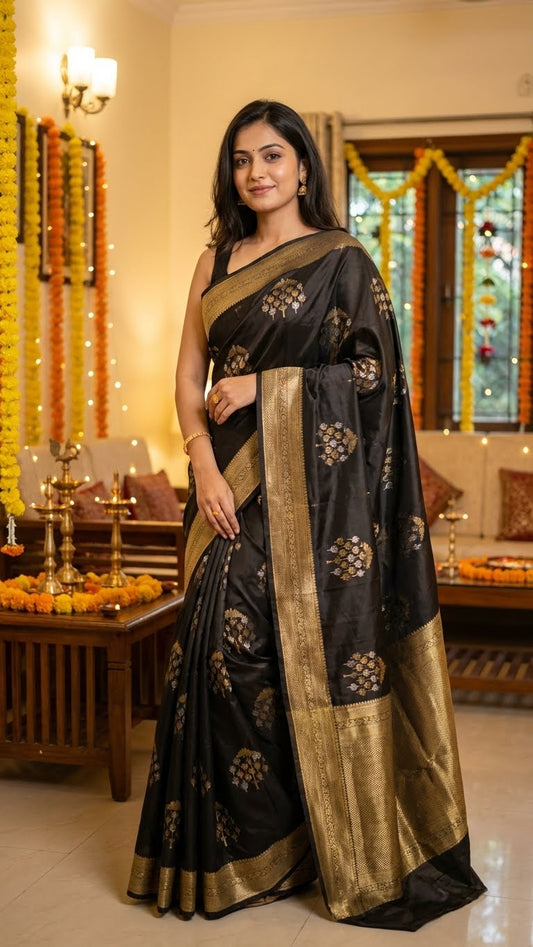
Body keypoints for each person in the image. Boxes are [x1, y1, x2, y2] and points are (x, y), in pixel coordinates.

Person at [127, 99, 485, 929]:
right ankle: (234, 849)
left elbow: (374, 381)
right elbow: (187, 377)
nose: (257, 172)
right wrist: (202, 463)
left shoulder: (342, 260)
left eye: (272, 156)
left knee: (272, 652)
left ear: (301, 166)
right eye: (243, 159)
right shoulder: (214, 261)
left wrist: (265, 386)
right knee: (211, 654)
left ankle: (303, 838)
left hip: (313, 501)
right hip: (223, 484)